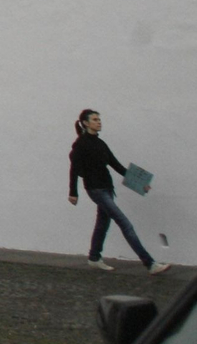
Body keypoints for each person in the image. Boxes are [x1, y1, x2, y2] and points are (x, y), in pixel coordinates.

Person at [68, 109, 170, 274]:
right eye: (95, 119)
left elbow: (117, 165)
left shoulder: (100, 144)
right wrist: (73, 192)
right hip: (96, 189)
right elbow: (73, 169)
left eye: (99, 119)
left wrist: (141, 183)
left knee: (102, 223)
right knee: (125, 224)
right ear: (86, 123)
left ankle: (94, 257)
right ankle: (150, 263)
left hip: (107, 188)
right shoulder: (81, 144)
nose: (99, 122)